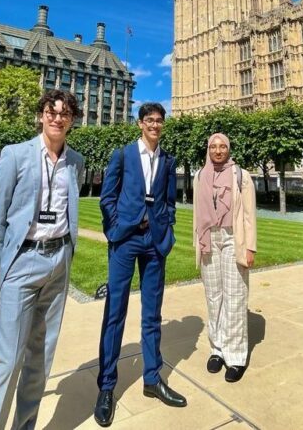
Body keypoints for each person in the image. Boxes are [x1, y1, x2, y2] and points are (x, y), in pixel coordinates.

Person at [0, 90, 84, 430]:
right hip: (22, 260)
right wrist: (6, 261)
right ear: (41, 116)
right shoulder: (15, 154)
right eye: (52, 112)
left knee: (40, 358)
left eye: (65, 113)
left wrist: (66, 252)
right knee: (6, 360)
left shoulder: (76, 162)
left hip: (59, 261)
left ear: (71, 120)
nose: (58, 118)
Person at [93, 102, 186, 427]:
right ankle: (106, 387)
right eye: (150, 120)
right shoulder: (123, 155)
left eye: (160, 121)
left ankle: (152, 378)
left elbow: (170, 201)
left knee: (152, 314)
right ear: (140, 123)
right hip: (126, 240)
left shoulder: (168, 160)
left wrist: (167, 230)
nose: (155, 125)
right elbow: (107, 197)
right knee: (115, 313)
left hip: (155, 242)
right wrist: (116, 229)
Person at [193, 133, 257, 382]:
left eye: (222, 147)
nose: (218, 151)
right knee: (213, 297)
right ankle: (217, 349)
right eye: (213, 147)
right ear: (208, 150)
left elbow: (250, 214)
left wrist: (250, 247)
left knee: (235, 296)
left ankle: (236, 356)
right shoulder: (200, 175)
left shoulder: (241, 176)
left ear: (228, 150)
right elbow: (198, 213)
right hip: (209, 238)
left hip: (234, 238)